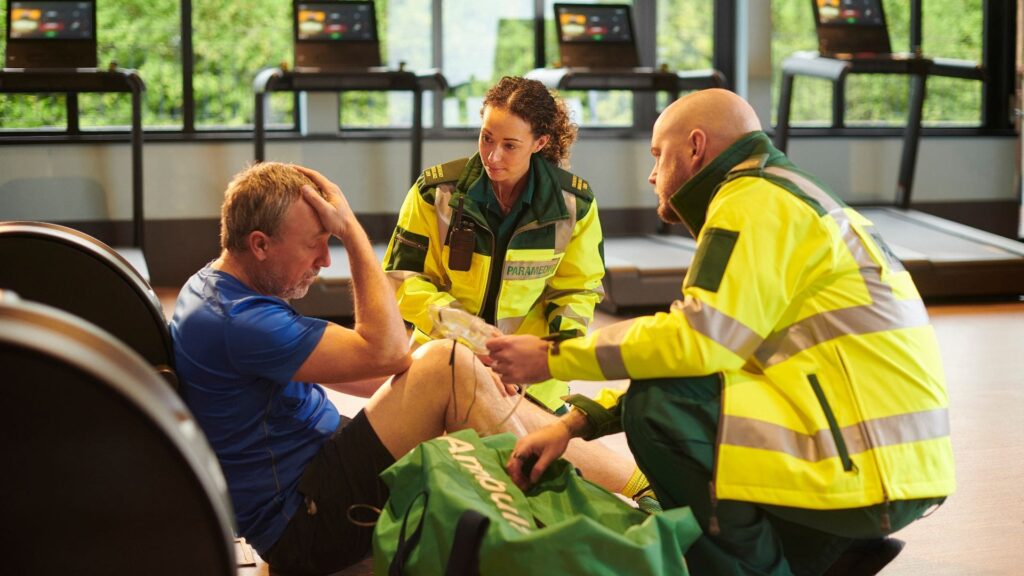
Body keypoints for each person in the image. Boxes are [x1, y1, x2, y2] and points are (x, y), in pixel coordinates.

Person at [488, 89, 955, 576]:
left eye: (658, 155)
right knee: (675, 391)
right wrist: (571, 425)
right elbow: (703, 359)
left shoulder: (752, 201)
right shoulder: (783, 194)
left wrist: (551, 356)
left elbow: (696, 343)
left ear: (694, 147)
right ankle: (822, 552)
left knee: (661, 412)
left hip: (866, 468)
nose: (651, 175)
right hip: (892, 464)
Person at [170, 161, 632, 575]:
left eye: (331, 242)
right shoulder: (241, 323)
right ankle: (611, 525)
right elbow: (387, 354)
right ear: (260, 244)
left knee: (452, 367)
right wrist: (352, 233)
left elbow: (369, 367)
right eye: (315, 244)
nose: (323, 259)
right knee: (444, 362)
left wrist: (464, 373)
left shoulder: (215, 289)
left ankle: (632, 488)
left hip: (315, 484)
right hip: (305, 525)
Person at [382, 76, 602, 416]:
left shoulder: (574, 205)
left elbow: (578, 290)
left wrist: (553, 356)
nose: (492, 155)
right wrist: (472, 338)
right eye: (486, 138)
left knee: (544, 464)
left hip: (532, 377)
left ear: (540, 142)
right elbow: (401, 279)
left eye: (510, 145)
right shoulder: (435, 192)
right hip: (443, 359)